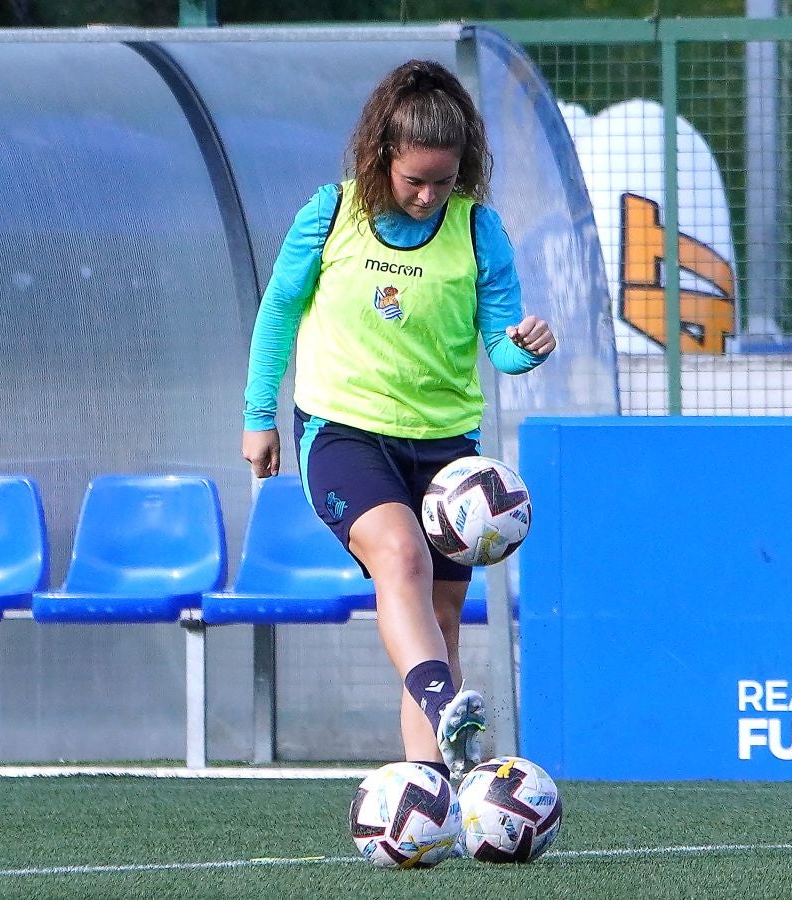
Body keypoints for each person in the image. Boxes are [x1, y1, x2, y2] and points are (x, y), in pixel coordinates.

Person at [241, 59, 556, 781]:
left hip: (448, 450)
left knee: (439, 614)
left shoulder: (478, 230)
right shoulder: (330, 213)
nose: (426, 195)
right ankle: (445, 702)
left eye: (442, 182)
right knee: (401, 558)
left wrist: (526, 347)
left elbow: (501, 349)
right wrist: (258, 415)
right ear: (381, 155)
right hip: (343, 431)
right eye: (413, 179)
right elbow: (278, 313)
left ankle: (430, 789)